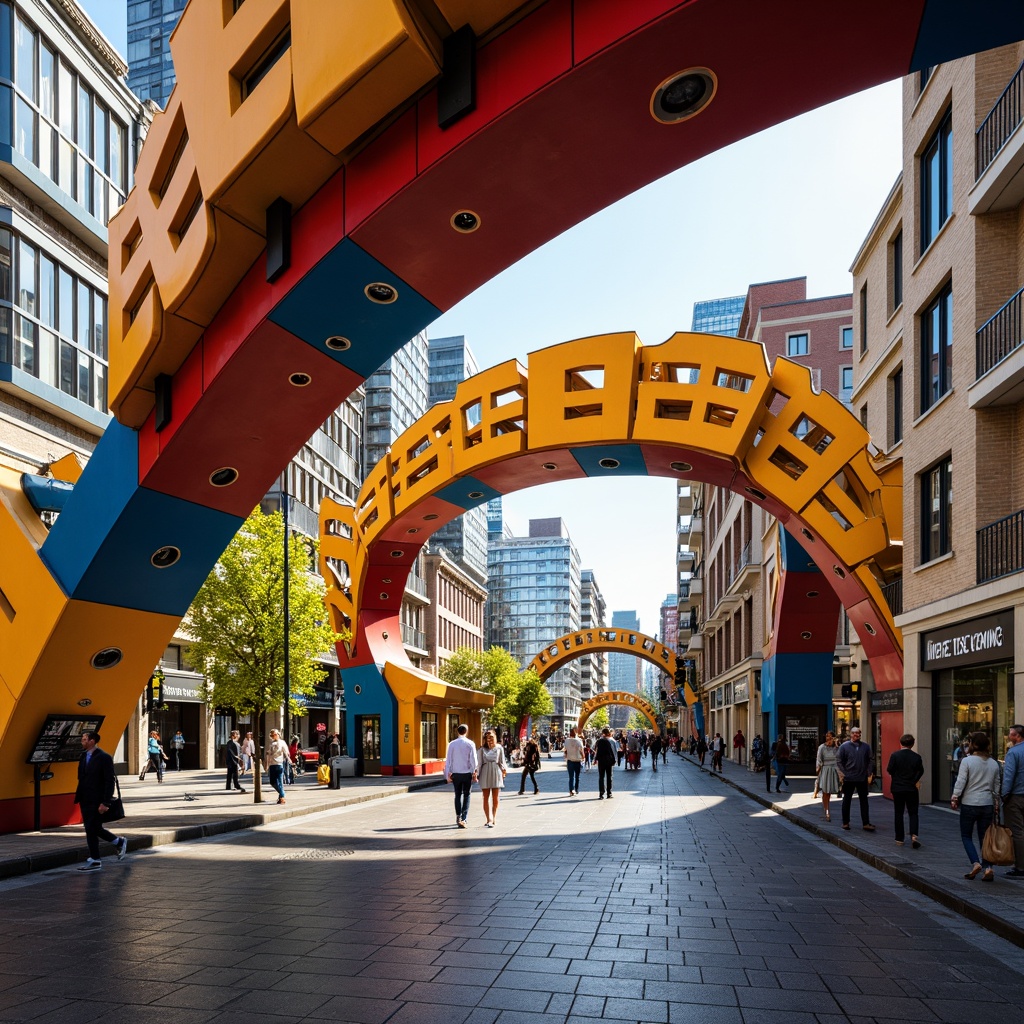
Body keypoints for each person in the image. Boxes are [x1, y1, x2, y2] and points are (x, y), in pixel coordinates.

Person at [952, 731, 1002, 882]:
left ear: (972, 744)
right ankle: (988, 867)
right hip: (987, 803)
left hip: (969, 802)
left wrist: (955, 797)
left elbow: (961, 781)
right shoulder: (994, 763)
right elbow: (997, 784)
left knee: (966, 835)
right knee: (985, 837)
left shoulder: (967, 761)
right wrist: (996, 803)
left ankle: (975, 863)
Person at [74, 730, 128, 870]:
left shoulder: (104, 757)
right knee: (92, 828)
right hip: (85, 799)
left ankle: (97, 858)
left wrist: (106, 802)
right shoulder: (83, 756)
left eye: (84, 739)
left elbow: (109, 781)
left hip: (97, 800)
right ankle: (116, 844)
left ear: (92, 741)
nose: (82, 741)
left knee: (92, 828)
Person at [886, 732, 924, 847]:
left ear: (900, 743)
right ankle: (914, 835)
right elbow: (921, 771)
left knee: (899, 812)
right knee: (913, 812)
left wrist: (896, 777)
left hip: (897, 787)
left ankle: (899, 838)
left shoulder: (895, 755)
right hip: (911, 788)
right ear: (912, 744)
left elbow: (889, 769)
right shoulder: (916, 757)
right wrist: (914, 780)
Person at [836, 726, 874, 830]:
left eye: (858, 733)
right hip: (849, 778)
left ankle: (866, 823)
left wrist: (869, 772)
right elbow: (839, 760)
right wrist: (844, 773)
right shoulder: (844, 746)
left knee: (864, 801)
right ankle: (845, 822)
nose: (856, 735)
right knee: (847, 800)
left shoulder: (866, 747)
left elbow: (871, 760)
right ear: (850, 734)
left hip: (862, 778)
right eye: (854, 733)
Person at [444, 723, 478, 828]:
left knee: (457, 795)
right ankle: (464, 817)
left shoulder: (452, 744)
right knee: (467, 794)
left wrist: (447, 774)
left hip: (456, 774)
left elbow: (448, 760)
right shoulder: (470, 743)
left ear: (457, 732)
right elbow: (473, 760)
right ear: (466, 731)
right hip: (467, 773)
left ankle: (458, 815)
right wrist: (474, 771)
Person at [1001, 723, 1024, 878]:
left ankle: (1020, 867)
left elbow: (1008, 777)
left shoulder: (1013, 752)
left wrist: (1004, 795)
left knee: (1017, 831)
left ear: (1017, 736)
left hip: (1016, 796)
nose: (1009, 736)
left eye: (1010, 733)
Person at [477, 729, 507, 827]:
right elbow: (479, 763)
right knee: (485, 797)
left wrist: (504, 770)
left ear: (495, 737)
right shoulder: (482, 749)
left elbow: (502, 761)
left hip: (496, 771)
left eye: (491, 737)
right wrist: (476, 773)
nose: (489, 739)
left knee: (495, 797)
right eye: (487, 737)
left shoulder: (499, 748)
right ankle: (488, 819)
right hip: (485, 771)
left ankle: (494, 817)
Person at [815, 731, 840, 822]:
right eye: (827, 736)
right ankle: (827, 811)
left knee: (831, 791)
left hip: (835, 770)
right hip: (825, 770)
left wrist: (837, 746)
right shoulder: (821, 747)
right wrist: (818, 770)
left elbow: (840, 758)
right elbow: (819, 760)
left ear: (834, 738)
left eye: (830, 737)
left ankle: (826, 809)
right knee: (825, 791)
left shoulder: (837, 748)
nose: (828, 738)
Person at [264, 728, 292, 804]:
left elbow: (286, 752)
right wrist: (266, 764)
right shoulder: (271, 744)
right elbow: (268, 754)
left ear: (278, 734)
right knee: (272, 782)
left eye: (275, 734)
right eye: (272, 735)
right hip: (272, 764)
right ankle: (282, 794)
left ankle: (281, 797)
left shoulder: (282, 742)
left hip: (279, 764)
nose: (274, 736)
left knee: (280, 781)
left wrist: (288, 758)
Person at [596, 727, 617, 799]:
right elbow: (613, 752)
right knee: (609, 777)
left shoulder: (599, 741)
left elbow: (597, 751)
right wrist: (614, 760)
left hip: (601, 761)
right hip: (609, 761)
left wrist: (596, 759)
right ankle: (609, 793)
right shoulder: (611, 741)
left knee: (601, 777)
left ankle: (601, 793)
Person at [564, 727, 584, 795]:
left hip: (570, 760)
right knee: (577, 776)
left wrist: (566, 756)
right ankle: (576, 789)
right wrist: (583, 757)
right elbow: (581, 750)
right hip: (577, 760)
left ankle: (571, 790)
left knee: (571, 777)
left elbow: (565, 750)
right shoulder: (579, 740)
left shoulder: (566, 740)